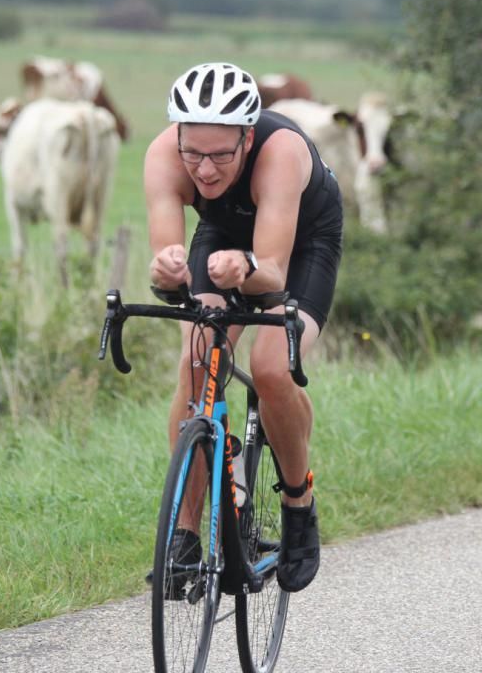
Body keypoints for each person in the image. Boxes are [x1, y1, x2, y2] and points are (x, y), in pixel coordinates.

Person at [143, 61, 343, 593]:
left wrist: (248, 269)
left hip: (301, 246)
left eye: (221, 155)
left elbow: (272, 271)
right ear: (178, 137)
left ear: (247, 137)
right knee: (196, 357)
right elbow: (167, 261)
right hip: (224, 236)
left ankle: (298, 505)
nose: (204, 171)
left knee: (271, 366)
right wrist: (166, 269)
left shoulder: (281, 153)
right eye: (193, 154)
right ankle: (185, 535)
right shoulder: (164, 156)